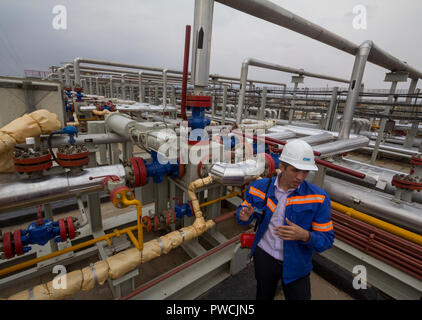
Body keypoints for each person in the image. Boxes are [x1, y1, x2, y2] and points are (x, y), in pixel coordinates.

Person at [236, 139, 335, 300]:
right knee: (263, 295)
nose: (300, 177)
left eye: (305, 172)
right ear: (281, 166)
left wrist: (305, 235)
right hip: (264, 256)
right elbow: (244, 212)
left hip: (297, 264)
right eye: (295, 170)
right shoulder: (258, 187)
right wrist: (244, 216)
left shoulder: (318, 198)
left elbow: (327, 240)